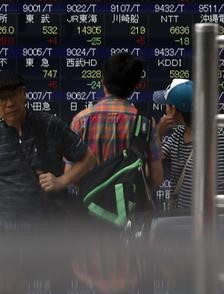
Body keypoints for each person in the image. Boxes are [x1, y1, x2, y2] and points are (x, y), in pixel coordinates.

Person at [0, 70, 95, 234]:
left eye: (14, 94)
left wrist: (62, 181)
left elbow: (88, 158)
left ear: (24, 94)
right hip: (6, 234)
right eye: (2, 98)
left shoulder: (50, 125)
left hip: (51, 230)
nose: (9, 103)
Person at [70, 52, 164, 190]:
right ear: (136, 85)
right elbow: (157, 179)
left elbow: (70, 176)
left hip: (88, 208)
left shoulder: (81, 120)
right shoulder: (145, 123)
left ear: (103, 81)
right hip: (132, 209)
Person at [154, 79, 224, 209]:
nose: (164, 109)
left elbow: (221, 187)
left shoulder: (215, 140)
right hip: (179, 219)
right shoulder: (178, 133)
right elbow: (158, 161)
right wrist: (158, 134)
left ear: (173, 110)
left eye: (167, 105)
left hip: (201, 221)